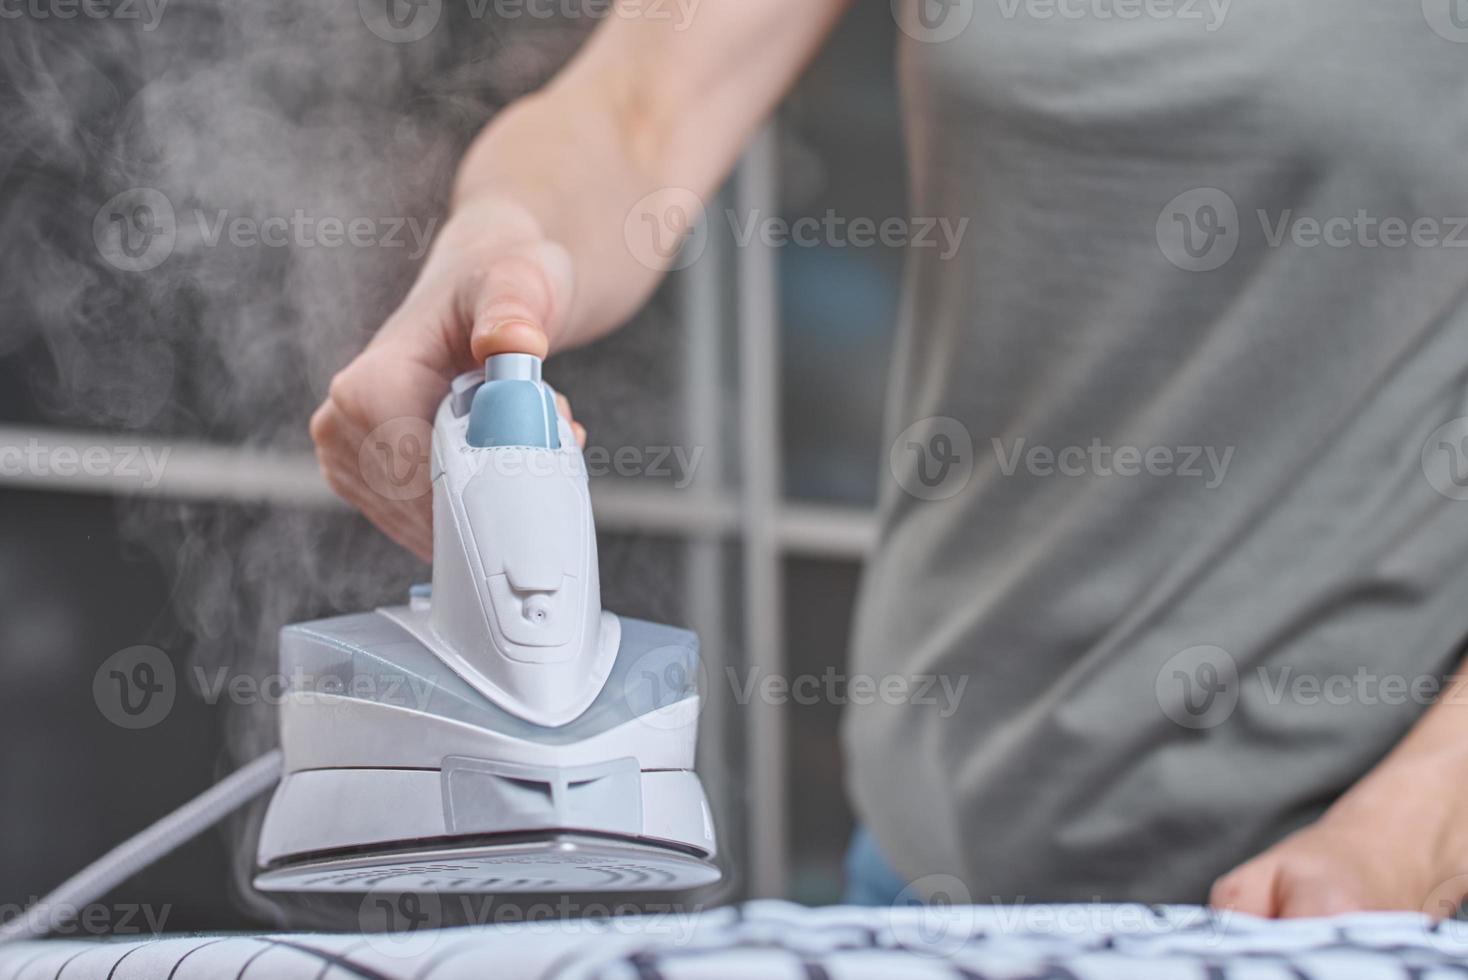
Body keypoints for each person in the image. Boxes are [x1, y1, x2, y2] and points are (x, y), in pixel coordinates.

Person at [309, 0, 1468, 916]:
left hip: (1364, 889)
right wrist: (505, 244)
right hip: (936, 859)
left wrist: (1409, 832)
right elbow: (635, 111)